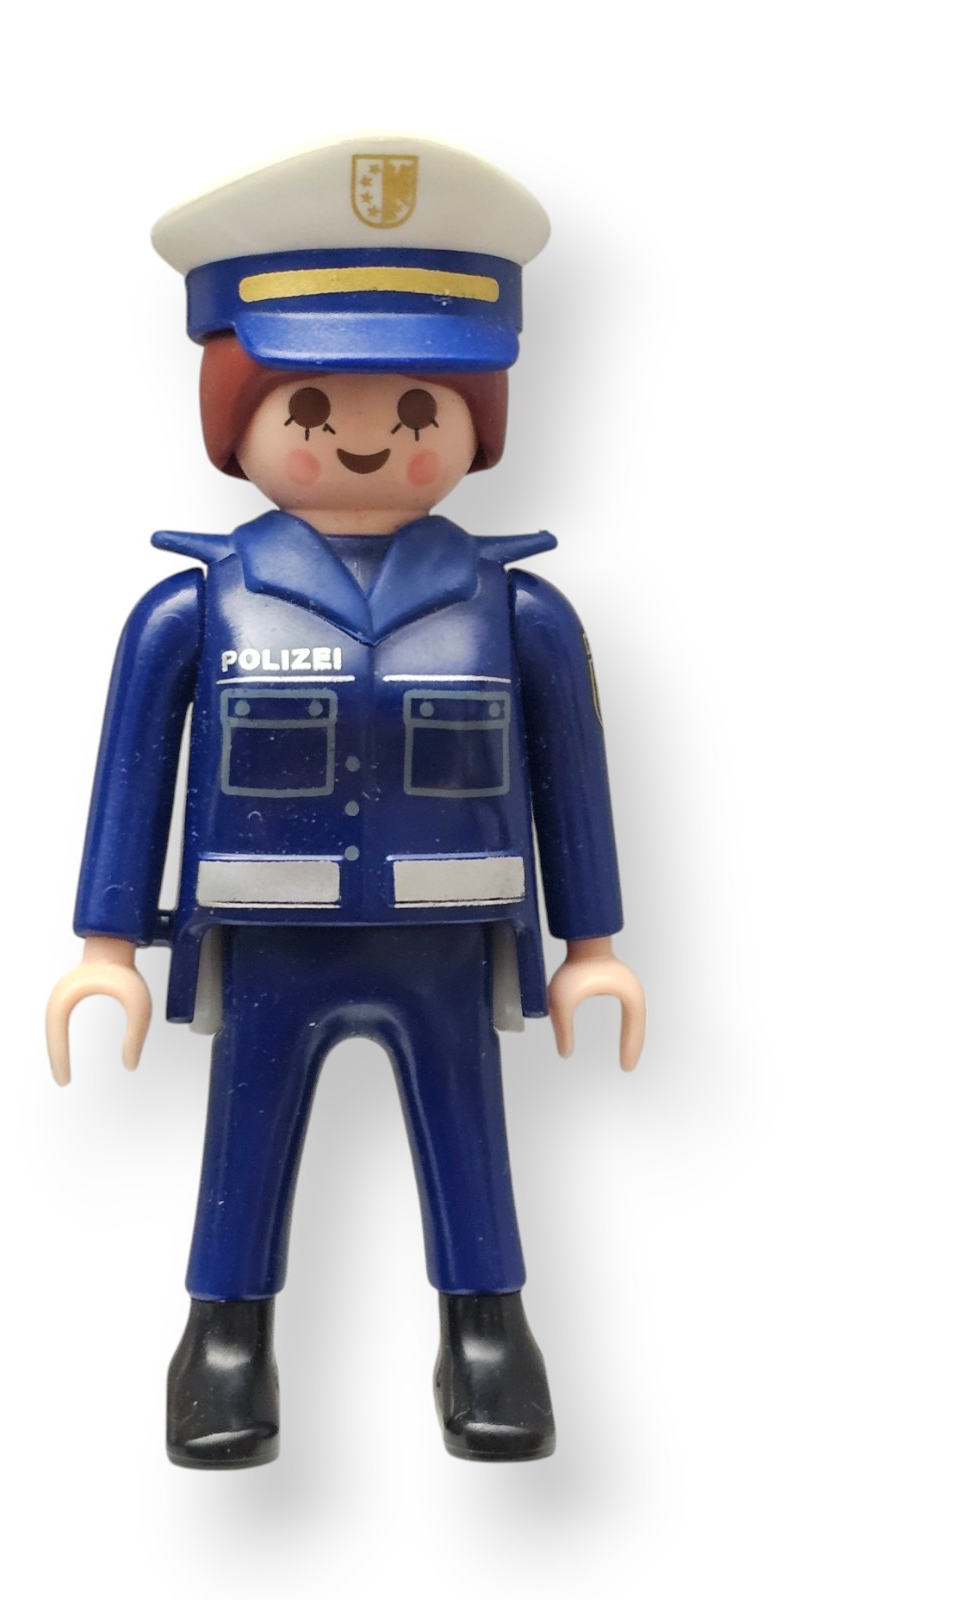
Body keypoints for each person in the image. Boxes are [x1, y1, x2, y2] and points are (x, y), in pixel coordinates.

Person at [46, 136, 645, 1468]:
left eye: (420, 407)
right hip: (270, 937)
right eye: (311, 405)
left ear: (478, 425)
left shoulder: (515, 610)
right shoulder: (198, 609)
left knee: (469, 1134)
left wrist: (592, 943)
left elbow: (574, 776)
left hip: (446, 935)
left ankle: (487, 1333)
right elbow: (133, 767)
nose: (367, 436)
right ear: (238, 418)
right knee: (244, 1140)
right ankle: (225, 1342)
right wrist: (106, 947)